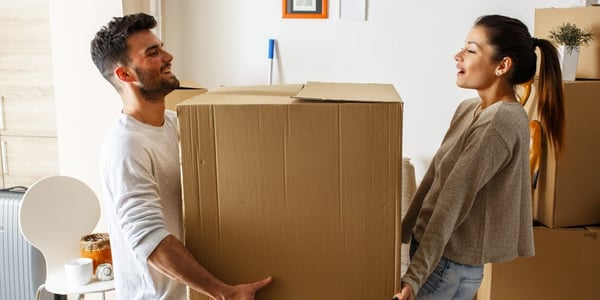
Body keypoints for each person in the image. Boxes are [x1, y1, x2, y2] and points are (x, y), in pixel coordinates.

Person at [90, 13, 272, 300]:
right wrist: (224, 292)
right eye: (153, 53)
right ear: (124, 74)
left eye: (161, 47)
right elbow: (149, 239)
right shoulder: (126, 147)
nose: (168, 56)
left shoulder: (177, 124)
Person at [393, 15, 565, 300]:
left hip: (445, 267)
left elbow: (453, 200)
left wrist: (414, 277)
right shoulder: (469, 108)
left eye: (471, 50)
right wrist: (399, 234)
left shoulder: (500, 121)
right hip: (433, 257)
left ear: (503, 65)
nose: (457, 56)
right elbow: (435, 175)